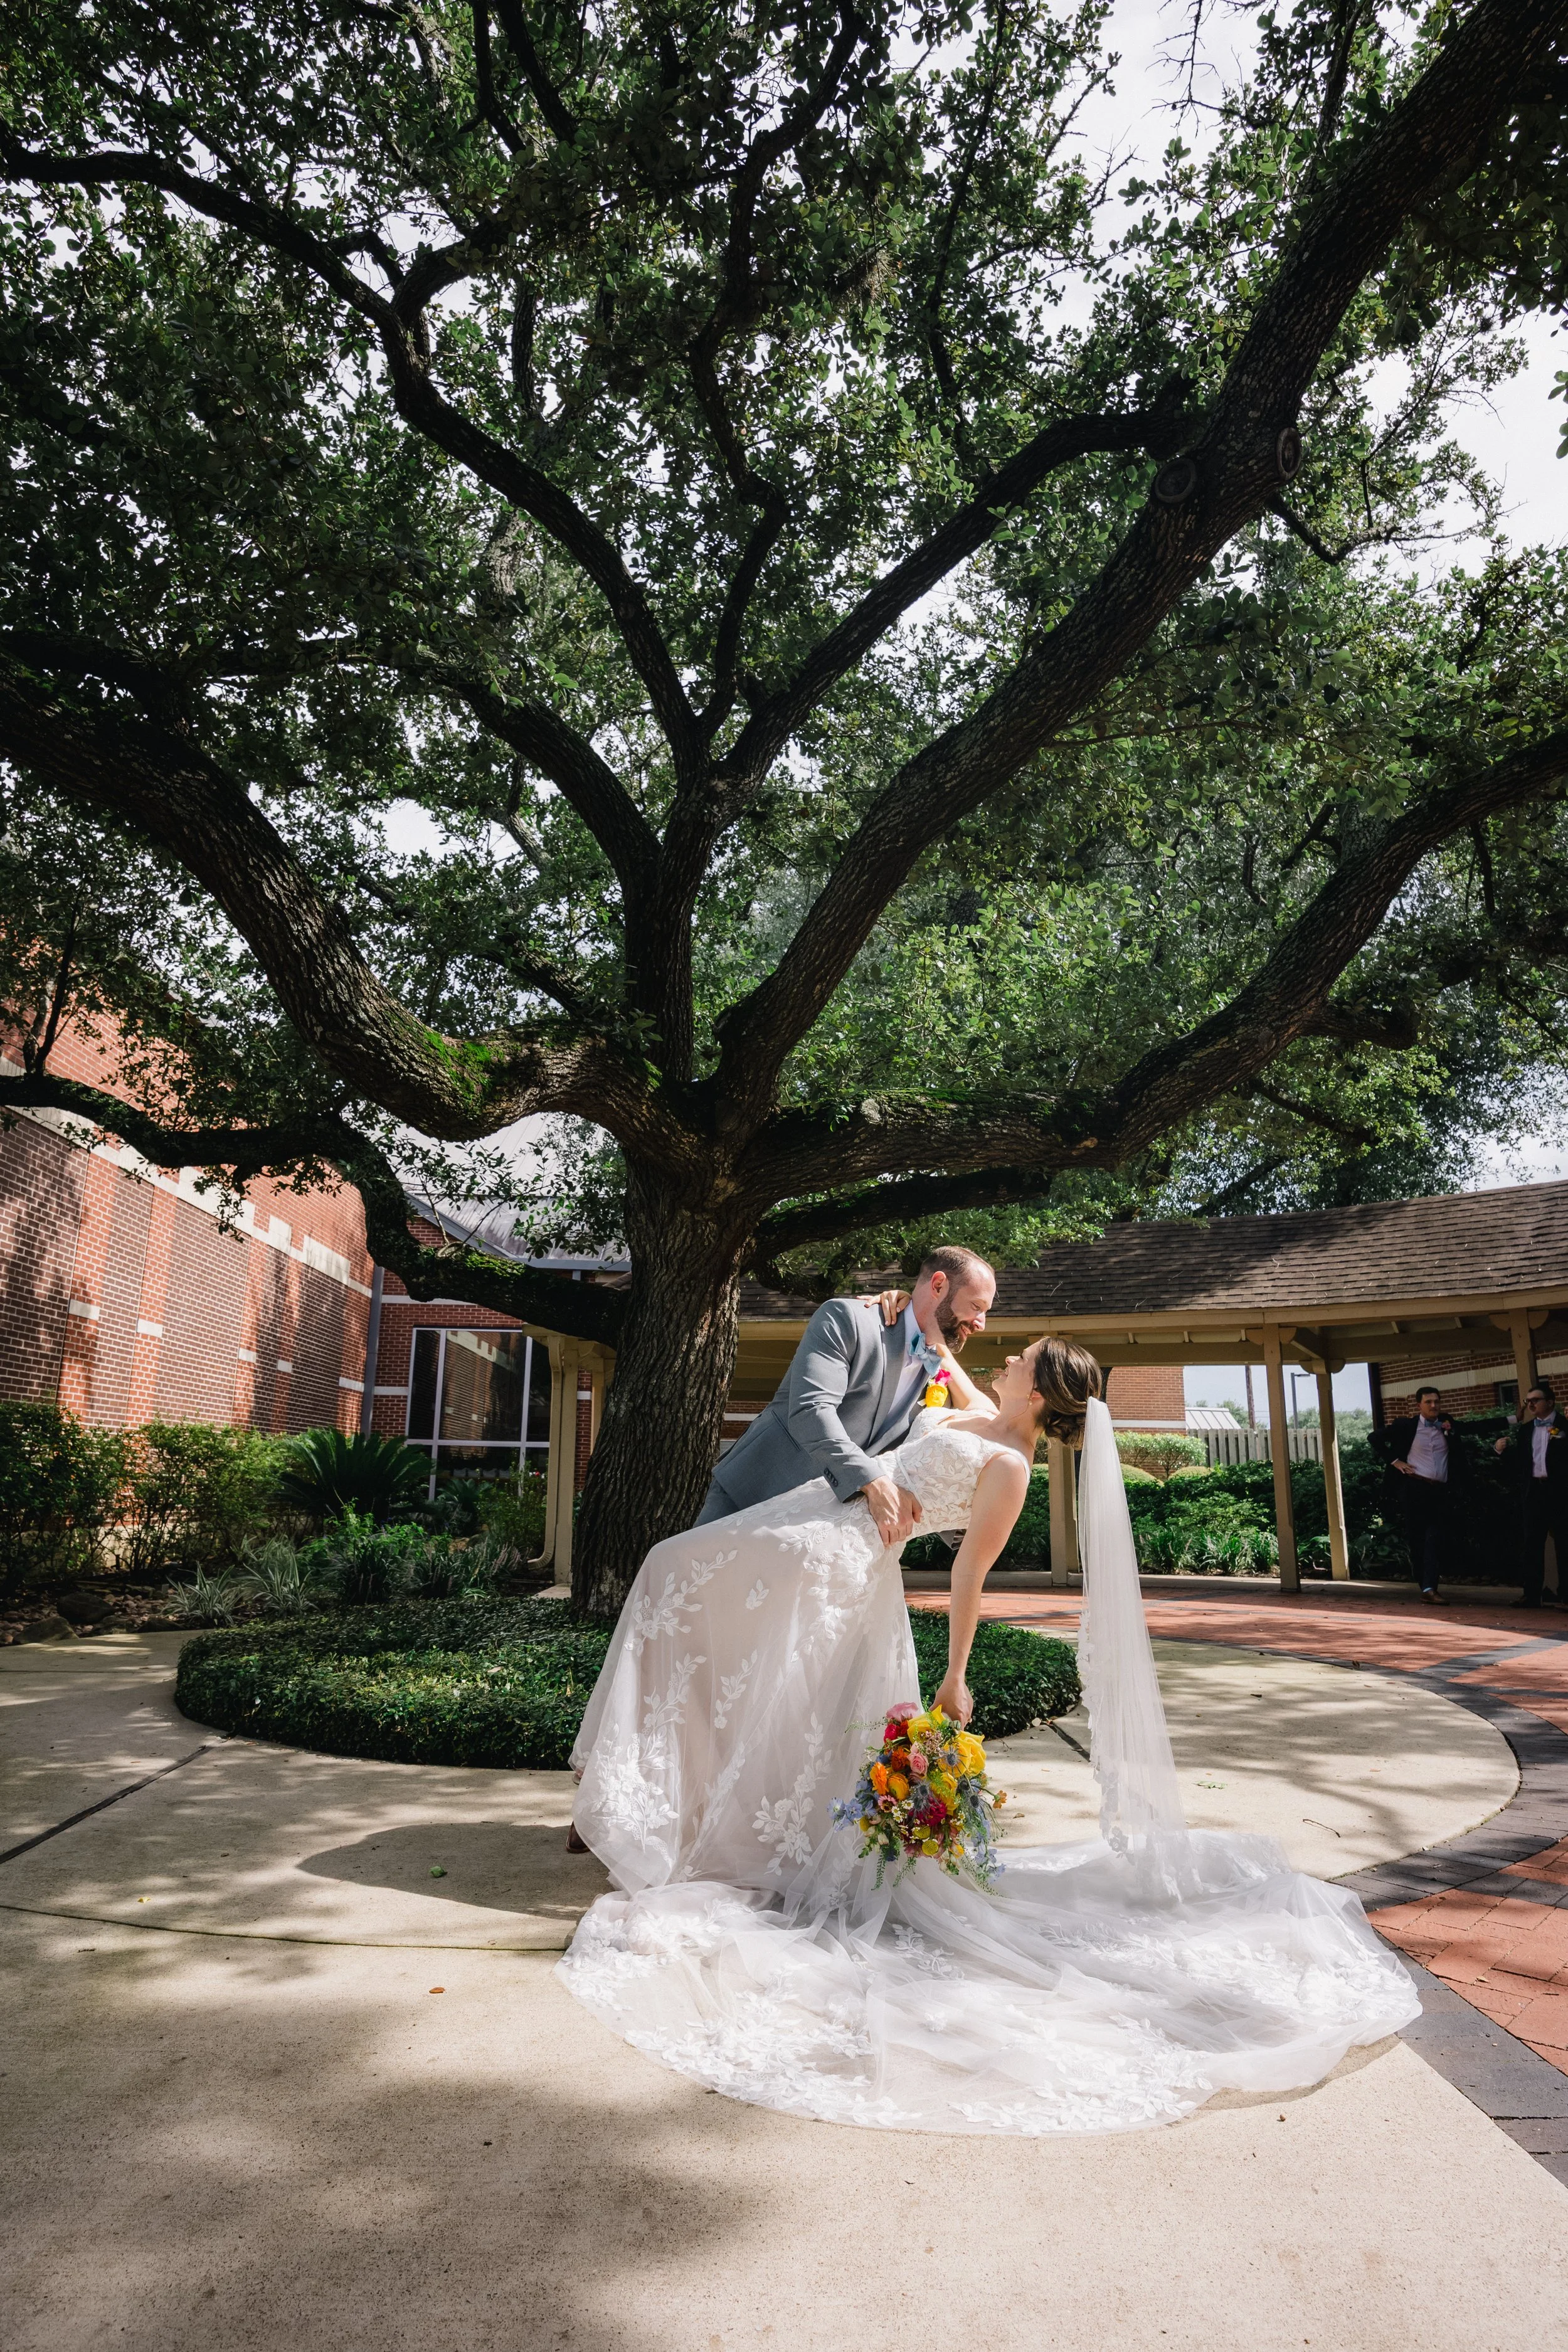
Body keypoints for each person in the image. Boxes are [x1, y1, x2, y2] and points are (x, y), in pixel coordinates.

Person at [559, 1336, 1418, 2136]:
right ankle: (657, 1793)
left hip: (847, 1555)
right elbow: (958, 1382)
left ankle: (671, 1811)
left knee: (677, 1568)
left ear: (1040, 1390)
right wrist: (926, 1328)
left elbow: (969, 1572)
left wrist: (956, 1672)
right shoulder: (981, 1410)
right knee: (696, 1599)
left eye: (1024, 1355)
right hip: (822, 1515)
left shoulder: (1009, 1466)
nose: (1006, 1350)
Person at [692, 1242, 996, 1544]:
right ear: (939, 1285)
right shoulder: (847, 1319)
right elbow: (812, 1411)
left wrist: (960, 1517)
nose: (982, 1324)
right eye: (976, 1307)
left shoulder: (938, 1364)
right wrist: (873, 1482)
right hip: (757, 1491)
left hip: (823, 1528)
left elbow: (974, 1420)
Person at [1371, 1385, 1469, 1602]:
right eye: (1428, 1402)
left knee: (1436, 1538)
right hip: (1415, 1489)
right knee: (1418, 1539)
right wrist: (1396, 1462)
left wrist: (1512, 1419)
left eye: (1437, 1401)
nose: (1434, 1406)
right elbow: (1374, 1438)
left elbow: (1474, 1427)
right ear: (1419, 1405)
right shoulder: (1406, 1426)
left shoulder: (1447, 1424)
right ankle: (1427, 1587)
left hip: (1440, 1490)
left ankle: (1429, 1586)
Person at [1493, 1382, 1568, 1608]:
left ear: (1550, 1402)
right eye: (1528, 1401)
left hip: (1560, 1492)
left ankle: (1566, 1596)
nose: (1531, 1404)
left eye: (1535, 1400)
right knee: (1532, 1543)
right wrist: (1499, 1451)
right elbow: (1520, 1464)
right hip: (1534, 1492)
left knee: (1564, 1543)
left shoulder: (1565, 1426)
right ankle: (1532, 1594)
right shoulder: (1526, 1430)